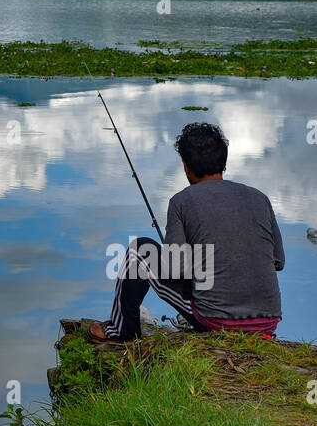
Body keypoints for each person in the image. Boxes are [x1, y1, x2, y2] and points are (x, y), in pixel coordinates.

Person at [89, 122, 285, 343]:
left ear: (185, 165)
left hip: (215, 320)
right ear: (224, 161)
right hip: (268, 321)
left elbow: (175, 267)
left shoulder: (182, 201)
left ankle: (120, 331)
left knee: (140, 250)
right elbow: (278, 261)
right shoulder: (260, 198)